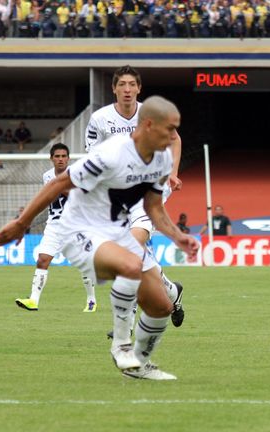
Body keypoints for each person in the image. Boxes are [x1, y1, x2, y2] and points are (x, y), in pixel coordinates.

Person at [0, 96, 199, 380]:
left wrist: (178, 236)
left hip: (119, 228)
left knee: (161, 307)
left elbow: (154, 207)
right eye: (169, 130)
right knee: (129, 263)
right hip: (81, 230)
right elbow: (59, 183)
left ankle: (139, 362)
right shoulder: (111, 154)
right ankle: (121, 344)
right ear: (149, 125)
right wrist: (22, 222)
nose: (173, 137)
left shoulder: (159, 160)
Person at [85, 65, 186, 332]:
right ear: (114, 89)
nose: (127, 90)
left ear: (139, 88)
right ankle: (171, 290)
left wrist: (173, 173)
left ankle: (126, 324)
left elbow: (175, 139)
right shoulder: (99, 119)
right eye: (122, 85)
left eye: (132, 85)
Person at [14, 143, 97, 312]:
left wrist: (60, 187)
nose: (60, 159)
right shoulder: (47, 176)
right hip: (54, 225)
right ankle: (33, 300)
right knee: (42, 260)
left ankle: (91, 300)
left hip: (76, 225)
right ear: (51, 158)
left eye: (63, 156)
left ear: (68, 158)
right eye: (57, 156)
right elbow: (47, 198)